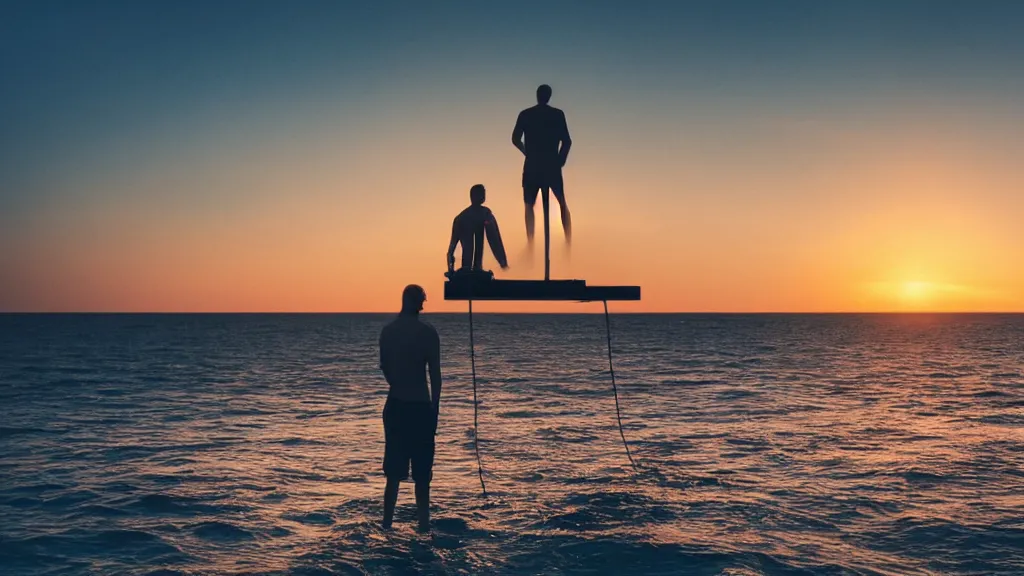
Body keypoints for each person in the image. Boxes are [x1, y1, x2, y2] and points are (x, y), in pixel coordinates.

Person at [378, 284, 442, 532]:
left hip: (395, 405)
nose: (424, 306)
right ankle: (424, 527)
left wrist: (398, 384)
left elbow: (386, 369)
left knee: (393, 475)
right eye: (423, 302)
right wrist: (435, 409)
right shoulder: (428, 333)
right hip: (420, 408)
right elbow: (435, 376)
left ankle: (386, 526)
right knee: (422, 476)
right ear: (419, 303)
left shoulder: (388, 332)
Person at [511, 83, 573, 246]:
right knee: (533, 204)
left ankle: (564, 242)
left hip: (538, 164)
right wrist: (559, 161)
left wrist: (559, 161)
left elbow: (515, 139)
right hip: (546, 164)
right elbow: (566, 142)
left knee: (554, 202)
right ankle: (533, 242)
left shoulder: (528, 114)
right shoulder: (554, 114)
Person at [446, 184, 509, 275]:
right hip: (476, 271)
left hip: (465, 271)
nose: (484, 196)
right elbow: (494, 239)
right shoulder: (484, 213)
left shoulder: (460, 217)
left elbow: (451, 249)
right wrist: (503, 262)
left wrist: (450, 269)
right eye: (481, 193)